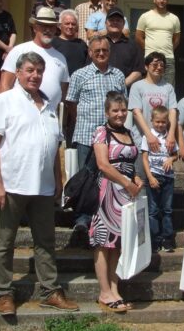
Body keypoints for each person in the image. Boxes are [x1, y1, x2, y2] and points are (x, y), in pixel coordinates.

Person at [0, 52, 79, 316]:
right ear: (18, 72)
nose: (35, 75)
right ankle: (3, 293)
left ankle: (50, 291)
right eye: (29, 70)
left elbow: (53, 146)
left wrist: (58, 181)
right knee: (5, 242)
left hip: (43, 187)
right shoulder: (4, 101)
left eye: (39, 71)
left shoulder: (49, 107)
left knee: (46, 241)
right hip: (11, 185)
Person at [66, 36, 127, 232]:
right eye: (97, 50)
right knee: (87, 177)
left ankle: (105, 214)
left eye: (105, 50)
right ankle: (82, 218)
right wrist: (83, 122)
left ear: (110, 52)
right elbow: (71, 103)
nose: (101, 53)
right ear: (90, 53)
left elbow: (122, 104)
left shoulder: (118, 75)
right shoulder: (79, 75)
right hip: (86, 135)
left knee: (109, 177)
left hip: (113, 137)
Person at [90, 91, 143, 312]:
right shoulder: (102, 133)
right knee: (104, 242)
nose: (120, 114)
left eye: (123, 110)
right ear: (107, 112)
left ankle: (114, 288)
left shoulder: (129, 133)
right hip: (107, 193)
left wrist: (136, 179)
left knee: (118, 244)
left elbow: (133, 161)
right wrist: (125, 182)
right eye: (115, 110)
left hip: (126, 195)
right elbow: (103, 164)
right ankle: (104, 292)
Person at [0, 7, 69, 112]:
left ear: (55, 29)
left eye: (51, 26)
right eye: (44, 26)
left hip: (49, 118)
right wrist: (7, 112)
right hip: (20, 115)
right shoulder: (19, 50)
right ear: (35, 27)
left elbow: (63, 93)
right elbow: (4, 85)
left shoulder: (60, 57)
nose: (48, 30)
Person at [141, 106, 179, 252]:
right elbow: (144, 158)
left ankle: (167, 239)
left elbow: (176, 154)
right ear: (152, 121)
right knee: (153, 210)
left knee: (167, 210)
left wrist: (171, 159)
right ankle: (155, 240)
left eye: (163, 122)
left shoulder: (169, 137)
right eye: (157, 122)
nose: (160, 125)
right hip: (154, 177)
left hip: (168, 178)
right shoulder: (148, 137)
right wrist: (150, 177)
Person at [129, 52, 177, 155]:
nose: (158, 67)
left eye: (162, 65)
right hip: (142, 140)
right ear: (146, 67)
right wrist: (149, 136)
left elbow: (172, 112)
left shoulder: (168, 87)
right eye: (155, 64)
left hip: (164, 142)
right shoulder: (137, 86)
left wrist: (171, 134)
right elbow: (136, 113)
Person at [135, 0, 181, 85]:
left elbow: (177, 39)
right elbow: (138, 37)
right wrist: (147, 49)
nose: (162, 1)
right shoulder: (145, 16)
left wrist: (169, 50)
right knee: (149, 88)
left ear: (167, 0)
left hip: (168, 59)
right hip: (150, 58)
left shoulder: (174, 18)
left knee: (168, 89)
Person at [105, 7, 145, 87]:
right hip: (99, 91)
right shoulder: (97, 43)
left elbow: (139, 71)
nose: (115, 22)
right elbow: (89, 68)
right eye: (112, 20)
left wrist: (121, 85)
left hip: (125, 92)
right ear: (106, 23)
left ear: (123, 24)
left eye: (118, 20)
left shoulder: (133, 45)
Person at [51, 10, 89, 76]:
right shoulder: (53, 43)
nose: (70, 27)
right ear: (59, 26)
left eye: (73, 24)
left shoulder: (82, 44)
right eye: (67, 24)